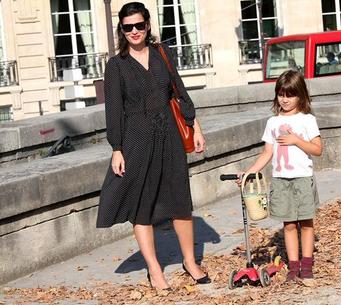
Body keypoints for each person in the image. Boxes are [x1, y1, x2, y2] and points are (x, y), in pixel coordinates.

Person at [96, 2, 210, 290]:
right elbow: (114, 112)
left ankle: (190, 261)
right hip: (136, 139)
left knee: (181, 201)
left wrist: (194, 126)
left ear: (147, 25)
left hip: (170, 135)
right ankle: (155, 269)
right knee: (142, 204)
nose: (134, 31)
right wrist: (117, 148)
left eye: (139, 25)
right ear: (121, 30)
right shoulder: (116, 66)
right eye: (127, 27)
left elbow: (179, 91)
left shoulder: (162, 53)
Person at [238, 70, 322, 281]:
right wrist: (249, 172)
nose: (284, 100)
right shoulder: (273, 123)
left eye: (290, 95)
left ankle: (307, 264)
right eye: (281, 94)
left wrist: (296, 140)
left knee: (306, 222)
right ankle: (293, 266)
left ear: (300, 96)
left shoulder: (307, 119)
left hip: (302, 178)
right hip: (281, 179)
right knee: (289, 224)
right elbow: (268, 152)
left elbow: (317, 149)